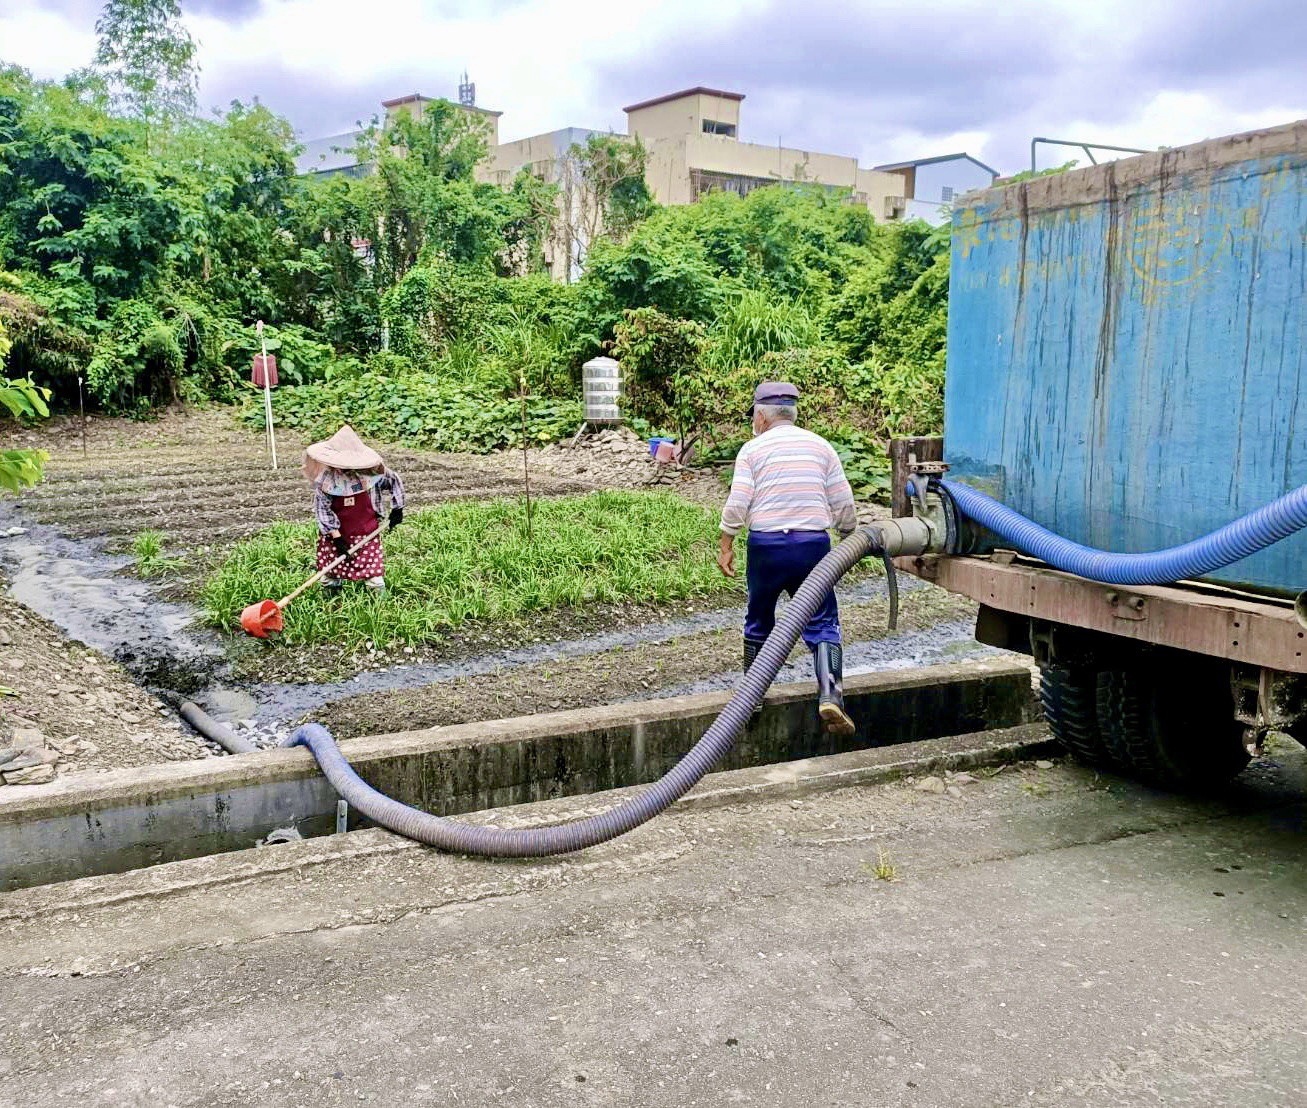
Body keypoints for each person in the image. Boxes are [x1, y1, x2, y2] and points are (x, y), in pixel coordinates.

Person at [717, 382, 859, 735]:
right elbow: (843, 502)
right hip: (812, 545)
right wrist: (848, 537)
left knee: (759, 618)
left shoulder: (752, 450)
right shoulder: (821, 447)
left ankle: (752, 698)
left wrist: (726, 543)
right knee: (822, 619)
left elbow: (738, 502)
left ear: (761, 416)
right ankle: (830, 695)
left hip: (766, 546)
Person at [302, 425, 405, 592]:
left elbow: (393, 480)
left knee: (374, 577)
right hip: (337, 534)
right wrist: (337, 538)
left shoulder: (371, 472)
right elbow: (323, 509)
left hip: (366, 531)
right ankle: (331, 599)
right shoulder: (327, 480)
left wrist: (397, 509)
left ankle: (380, 604)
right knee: (331, 574)